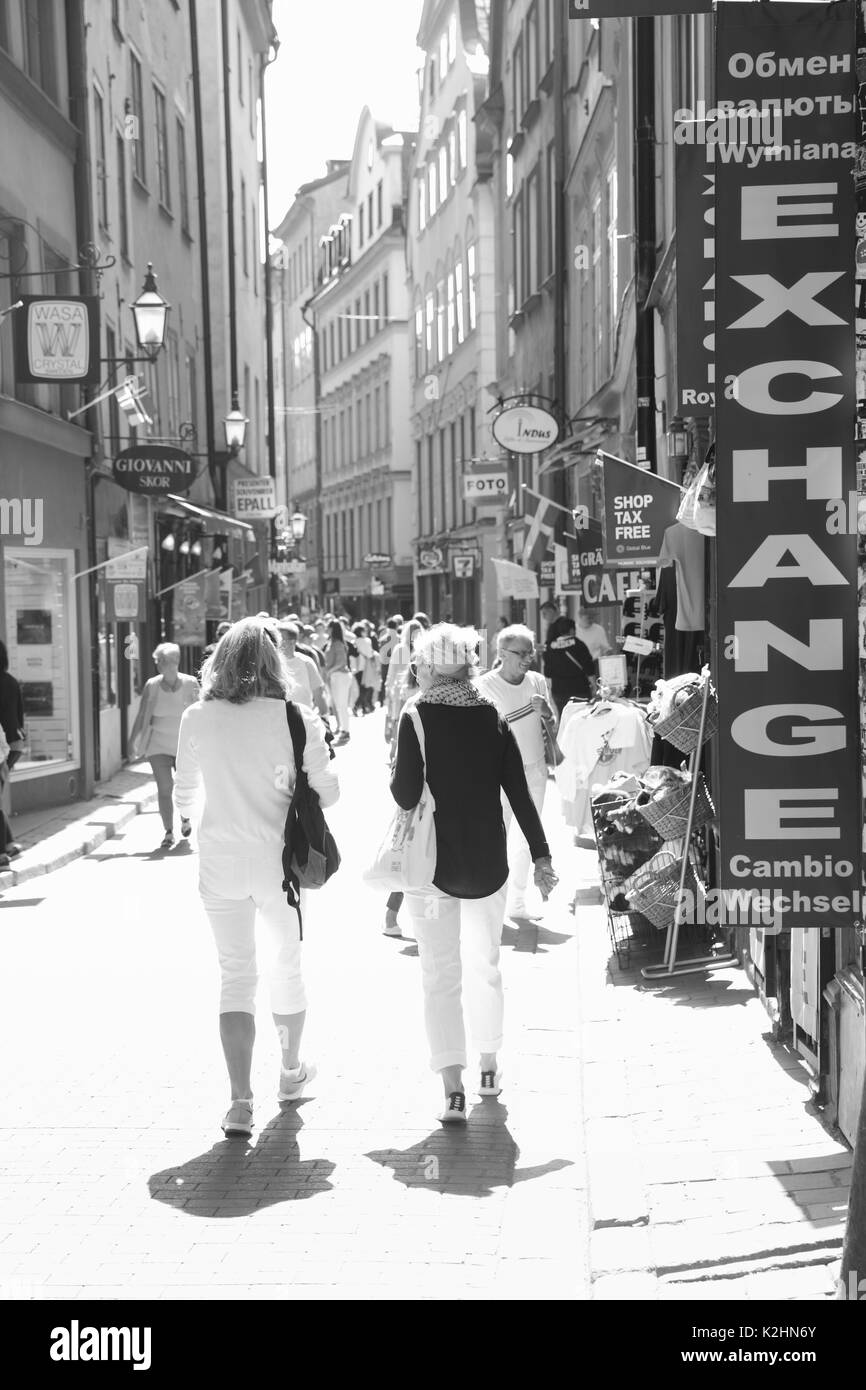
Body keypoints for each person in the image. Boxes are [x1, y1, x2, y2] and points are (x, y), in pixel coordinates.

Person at [174, 618, 339, 1137]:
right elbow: (329, 794)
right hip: (279, 867)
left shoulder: (197, 717)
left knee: (235, 977)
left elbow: (184, 789)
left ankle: (240, 1101)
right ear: (275, 663)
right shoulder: (297, 718)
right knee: (286, 967)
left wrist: (184, 819)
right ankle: (290, 1073)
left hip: (219, 863)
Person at [390, 623, 558, 1123]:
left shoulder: (416, 715)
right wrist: (543, 855)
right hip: (488, 862)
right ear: (466, 666)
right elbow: (519, 793)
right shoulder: (493, 715)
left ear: (431, 667)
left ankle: (452, 1090)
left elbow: (403, 794)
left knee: (439, 975)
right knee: (485, 964)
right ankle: (488, 1067)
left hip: (432, 866)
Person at [476, 624, 557, 920]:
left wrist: (547, 711)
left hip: (535, 769)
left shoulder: (537, 681)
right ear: (501, 653)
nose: (527, 658)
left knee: (528, 838)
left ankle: (518, 902)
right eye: (520, 652)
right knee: (498, 837)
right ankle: (493, 904)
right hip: (500, 775)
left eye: (530, 652)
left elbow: (552, 723)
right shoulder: (484, 685)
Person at [128, 643, 200, 848]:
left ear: (172, 662)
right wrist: (132, 740)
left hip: (184, 747)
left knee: (184, 786)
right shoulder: (152, 685)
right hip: (157, 745)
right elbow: (142, 715)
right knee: (165, 788)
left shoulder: (190, 683)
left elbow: (201, 712)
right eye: (157, 661)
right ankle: (168, 832)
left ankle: (185, 818)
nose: (157, 664)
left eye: (160, 661)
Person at [543, 615, 596, 719]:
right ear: (572, 630)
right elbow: (588, 667)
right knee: (581, 720)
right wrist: (594, 685)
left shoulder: (550, 646)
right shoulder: (579, 644)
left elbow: (548, 672)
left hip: (559, 691)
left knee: (564, 721)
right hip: (579, 690)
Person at [0, 640, 24, 865]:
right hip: (15, 744)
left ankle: (2, 852)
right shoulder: (11, 681)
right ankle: (8, 845)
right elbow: (20, 715)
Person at [276, 621, 329, 718]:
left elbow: (318, 692)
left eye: (280, 639)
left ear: (292, 642)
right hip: (279, 720)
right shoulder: (272, 663)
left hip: (303, 719)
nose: (276, 643)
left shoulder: (306, 662)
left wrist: (325, 717)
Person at [323, 618, 353, 745]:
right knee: (338, 705)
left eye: (328, 628)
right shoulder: (333, 642)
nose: (326, 630)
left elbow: (342, 662)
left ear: (332, 629)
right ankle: (343, 729)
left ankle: (345, 731)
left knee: (341, 705)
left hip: (340, 676)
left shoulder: (338, 644)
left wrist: (329, 671)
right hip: (336, 676)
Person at [351, 622, 379, 715]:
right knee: (365, 688)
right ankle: (357, 706)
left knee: (361, 688)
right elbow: (370, 654)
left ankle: (362, 707)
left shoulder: (354, 640)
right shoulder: (366, 641)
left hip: (356, 667)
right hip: (365, 667)